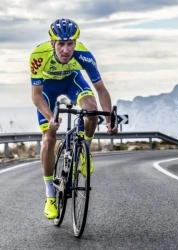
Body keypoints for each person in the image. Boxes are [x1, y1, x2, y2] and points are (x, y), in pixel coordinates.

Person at [29, 18, 118, 220]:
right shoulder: (38, 56)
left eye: (70, 44)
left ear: (75, 43)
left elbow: (101, 90)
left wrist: (110, 119)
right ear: (52, 44)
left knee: (92, 110)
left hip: (72, 82)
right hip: (48, 89)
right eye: (61, 44)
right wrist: (51, 117)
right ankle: (50, 195)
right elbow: (36, 96)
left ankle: (84, 151)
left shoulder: (84, 56)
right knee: (49, 139)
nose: (66, 50)